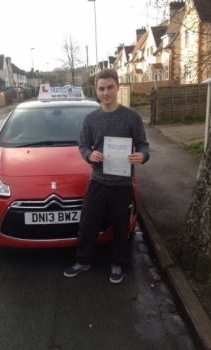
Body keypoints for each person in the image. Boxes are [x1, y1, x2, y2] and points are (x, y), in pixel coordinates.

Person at [64, 69, 150, 284]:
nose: (106, 92)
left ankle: (117, 263)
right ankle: (83, 260)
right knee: (88, 223)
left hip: (122, 183)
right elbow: (82, 144)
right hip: (98, 181)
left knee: (122, 226)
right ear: (96, 90)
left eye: (110, 87)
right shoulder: (91, 119)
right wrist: (89, 154)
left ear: (118, 86)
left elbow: (143, 144)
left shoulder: (132, 117)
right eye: (101, 88)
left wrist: (142, 156)